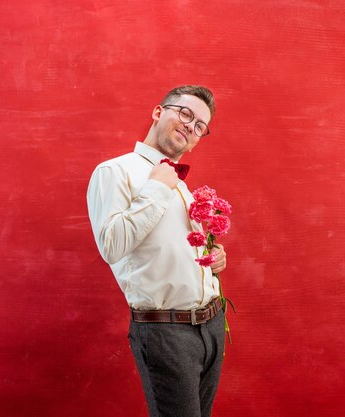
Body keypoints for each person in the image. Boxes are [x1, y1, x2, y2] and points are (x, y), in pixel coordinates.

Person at [86, 85, 227, 417]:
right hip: (166, 332)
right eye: (185, 114)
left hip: (210, 326)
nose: (190, 127)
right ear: (158, 111)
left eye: (199, 127)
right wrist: (156, 188)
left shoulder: (181, 185)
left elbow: (169, 251)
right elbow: (112, 245)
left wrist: (212, 260)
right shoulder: (114, 172)